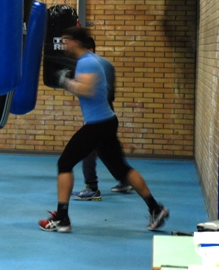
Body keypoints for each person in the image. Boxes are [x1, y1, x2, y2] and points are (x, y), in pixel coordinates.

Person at [38, 26, 168, 233]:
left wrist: (66, 81)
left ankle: (62, 218)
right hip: (106, 120)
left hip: (98, 124)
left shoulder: (87, 62)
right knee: (122, 169)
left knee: (64, 163)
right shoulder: (95, 60)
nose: (63, 45)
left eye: (66, 40)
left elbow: (87, 90)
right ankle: (155, 208)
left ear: (76, 42)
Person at [71, 36, 132, 201]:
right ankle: (125, 179)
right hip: (107, 112)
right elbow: (110, 92)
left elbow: (93, 90)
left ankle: (92, 188)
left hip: (98, 114)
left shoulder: (93, 65)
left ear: (88, 49)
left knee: (88, 149)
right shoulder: (106, 64)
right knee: (107, 150)